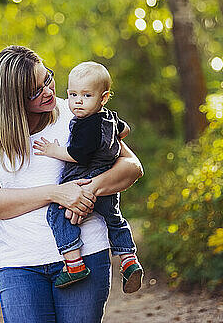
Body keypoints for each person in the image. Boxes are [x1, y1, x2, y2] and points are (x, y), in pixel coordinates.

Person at [0, 45, 143, 323]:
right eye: (34, 92)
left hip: (86, 254)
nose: (48, 91)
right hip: (20, 264)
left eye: (46, 79)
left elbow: (132, 167)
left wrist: (88, 190)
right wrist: (55, 193)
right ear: (12, 99)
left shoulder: (78, 112)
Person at [32, 61, 143, 293]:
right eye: (72, 94)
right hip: (108, 185)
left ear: (103, 98)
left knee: (57, 213)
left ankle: (73, 263)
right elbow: (124, 131)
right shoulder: (109, 117)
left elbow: (78, 154)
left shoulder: (85, 124)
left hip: (85, 178)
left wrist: (53, 151)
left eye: (86, 95)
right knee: (114, 219)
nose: (77, 101)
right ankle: (129, 260)